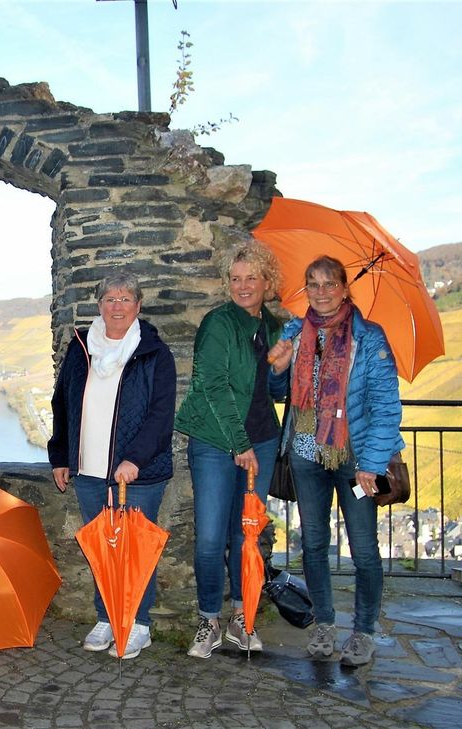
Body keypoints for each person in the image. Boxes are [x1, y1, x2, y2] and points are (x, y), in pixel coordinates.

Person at [268, 255, 403, 667]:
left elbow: (385, 407)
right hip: (307, 455)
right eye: (313, 284)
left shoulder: (370, 338)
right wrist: (278, 366)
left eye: (330, 284)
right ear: (306, 290)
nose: (322, 292)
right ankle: (324, 623)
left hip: (355, 460)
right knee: (312, 543)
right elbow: (278, 391)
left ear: (345, 289)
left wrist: (373, 463)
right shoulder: (294, 332)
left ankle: (363, 631)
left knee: (363, 549)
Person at [48, 271, 177, 659]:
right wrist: (60, 456)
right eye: (109, 299)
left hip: (138, 474)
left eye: (125, 299)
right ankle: (107, 617)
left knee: (137, 550)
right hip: (88, 472)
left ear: (138, 306)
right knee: (102, 550)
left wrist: (133, 459)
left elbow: (160, 415)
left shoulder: (155, 353)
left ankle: (138, 624)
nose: (117, 306)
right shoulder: (80, 349)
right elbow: (63, 404)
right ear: (99, 306)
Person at [175, 240, 285, 658]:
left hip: (262, 438)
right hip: (216, 440)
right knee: (209, 537)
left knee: (247, 536)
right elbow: (212, 386)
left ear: (266, 281)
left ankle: (243, 617)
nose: (243, 286)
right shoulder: (217, 324)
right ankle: (208, 620)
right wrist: (240, 445)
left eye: (251, 278)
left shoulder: (273, 327)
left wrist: (281, 367)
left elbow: (273, 392)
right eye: (235, 279)